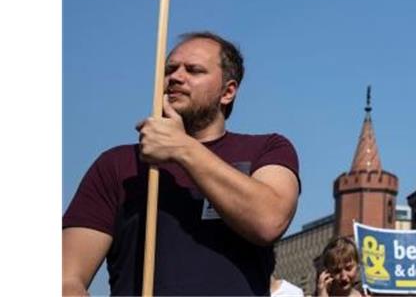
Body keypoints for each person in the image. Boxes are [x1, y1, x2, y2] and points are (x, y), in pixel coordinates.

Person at [62, 32, 301, 296]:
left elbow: (269, 220)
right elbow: (66, 277)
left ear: (228, 91)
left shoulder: (266, 149)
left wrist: (182, 148)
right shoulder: (117, 165)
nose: (175, 77)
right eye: (170, 69)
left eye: (194, 70)